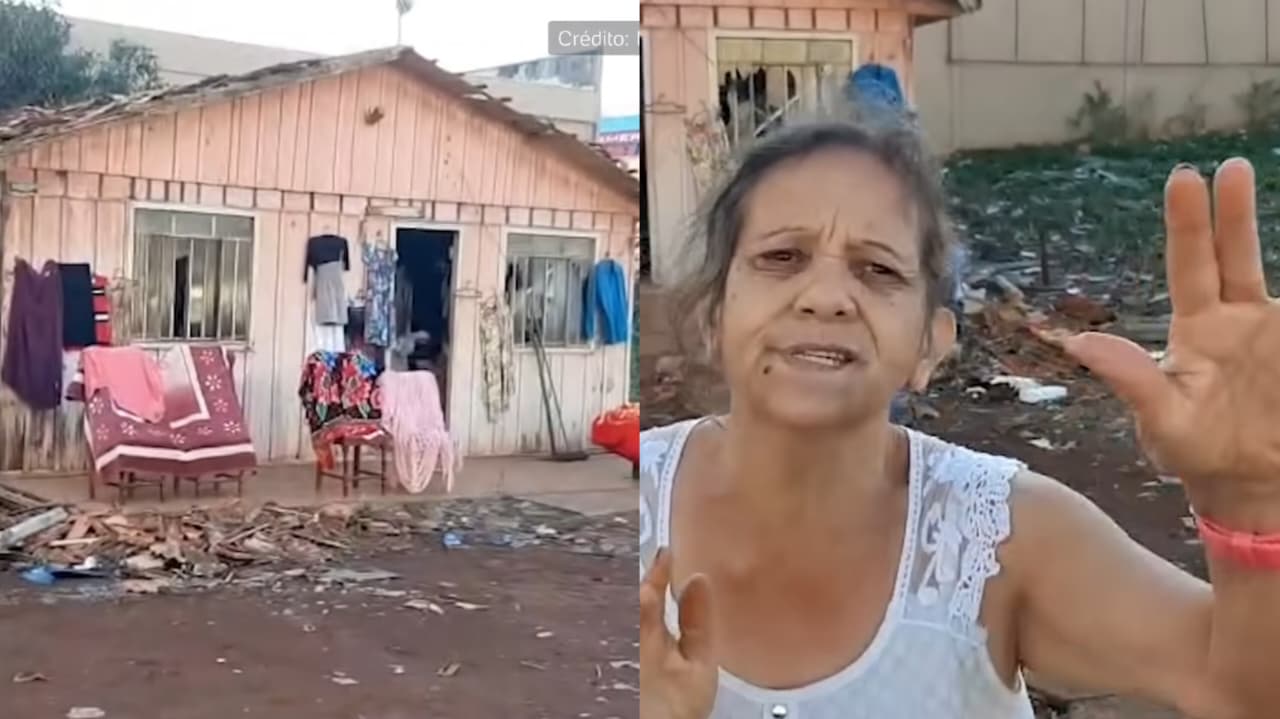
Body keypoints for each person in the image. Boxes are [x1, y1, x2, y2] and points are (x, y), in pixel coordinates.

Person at [638, 114, 1280, 719]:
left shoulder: (997, 536)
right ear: (712, 317)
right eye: (782, 257)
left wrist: (1251, 503)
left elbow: (1241, 693)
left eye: (877, 270)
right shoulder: (634, 505)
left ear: (930, 345)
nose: (827, 297)